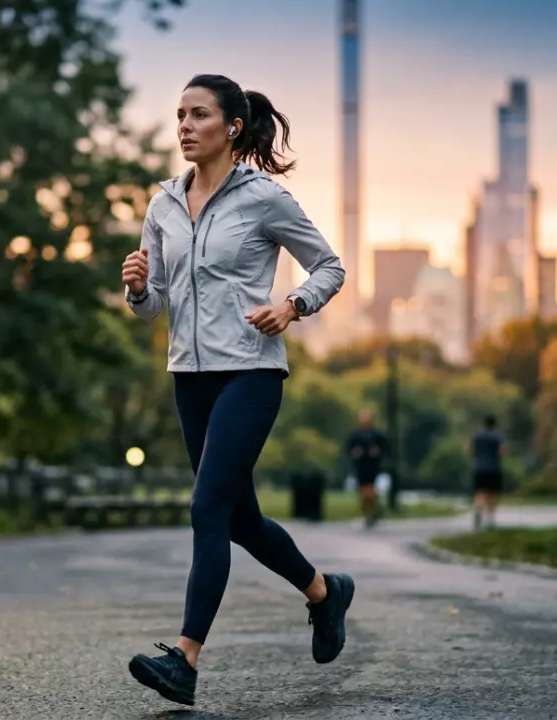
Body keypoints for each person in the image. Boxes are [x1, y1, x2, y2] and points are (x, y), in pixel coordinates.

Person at [120, 74, 354, 707]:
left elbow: (329, 266)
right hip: (189, 378)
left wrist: (292, 305)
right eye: (180, 115)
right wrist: (138, 288)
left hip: (251, 373)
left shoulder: (264, 199)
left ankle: (185, 659)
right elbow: (154, 305)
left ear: (232, 127)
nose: (185, 126)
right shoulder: (163, 204)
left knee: (207, 510)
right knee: (239, 519)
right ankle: (325, 593)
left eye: (199, 115)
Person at [345, 409, 388, 527]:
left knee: (370, 489)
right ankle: (368, 512)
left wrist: (377, 452)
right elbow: (349, 448)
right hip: (360, 466)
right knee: (363, 491)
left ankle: (372, 511)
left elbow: (385, 448)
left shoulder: (376, 435)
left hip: (373, 466)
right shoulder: (355, 435)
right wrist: (354, 453)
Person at [466, 415, 506, 530]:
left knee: (479, 493)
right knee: (492, 494)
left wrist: (478, 456)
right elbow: (503, 450)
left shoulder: (476, 435)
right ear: (494, 424)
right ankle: (490, 520)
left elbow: (468, 449)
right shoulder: (497, 435)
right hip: (493, 468)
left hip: (478, 468)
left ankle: (478, 511)